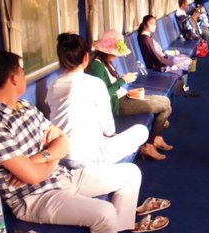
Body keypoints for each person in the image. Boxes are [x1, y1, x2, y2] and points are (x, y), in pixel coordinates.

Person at [0, 51, 161, 233]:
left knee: (130, 174)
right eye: (22, 72)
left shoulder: (24, 107)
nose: (23, 77)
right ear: (13, 78)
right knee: (104, 212)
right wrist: (48, 158)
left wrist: (39, 159)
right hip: (35, 198)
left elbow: (63, 141)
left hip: (62, 177)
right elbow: (32, 178)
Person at [46, 34, 149, 167]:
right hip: (87, 157)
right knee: (141, 131)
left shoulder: (53, 85)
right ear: (86, 58)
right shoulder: (95, 84)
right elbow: (109, 130)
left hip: (60, 155)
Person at [88, 30, 174, 161]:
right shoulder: (97, 67)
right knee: (165, 108)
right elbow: (102, 95)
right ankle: (149, 145)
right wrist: (123, 81)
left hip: (123, 96)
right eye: (115, 54)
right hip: (117, 105)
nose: (117, 57)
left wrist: (122, 80)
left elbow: (111, 84)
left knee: (165, 100)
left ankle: (157, 138)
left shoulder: (105, 63)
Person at [137, 15, 200, 98]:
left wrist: (168, 53)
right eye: (151, 24)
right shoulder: (145, 39)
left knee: (185, 59)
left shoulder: (147, 35)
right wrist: (171, 64)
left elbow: (157, 51)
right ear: (144, 24)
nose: (154, 26)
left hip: (163, 58)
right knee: (186, 62)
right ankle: (181, 89)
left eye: (155, 24)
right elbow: (155, 56)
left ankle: (182, 87)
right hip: (158, 64)